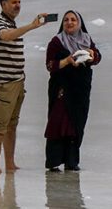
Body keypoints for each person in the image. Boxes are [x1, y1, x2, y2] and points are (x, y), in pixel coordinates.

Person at [0, 0, 49, 174]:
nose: (18, 5)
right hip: (3, 85)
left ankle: (10, 163)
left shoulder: (11, 24)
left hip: (17, 82)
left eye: (19, 2)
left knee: (11, 126)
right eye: (14, 2)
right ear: (3, 4)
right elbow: (5, 36)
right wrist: (31, 26)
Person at [43, 10, 101, 171]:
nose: (69, 22)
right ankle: (54, 161)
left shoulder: (87, 39)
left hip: (80, 92)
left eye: (73, 20)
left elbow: (98, 58)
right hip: (61, 90)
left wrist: (92, 54)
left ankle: (72, 162)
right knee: (58, 123)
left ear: (79, 23)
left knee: (76, 125)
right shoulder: (56, 42)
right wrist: (68, 61)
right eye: (66, 20)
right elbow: (50, 65)